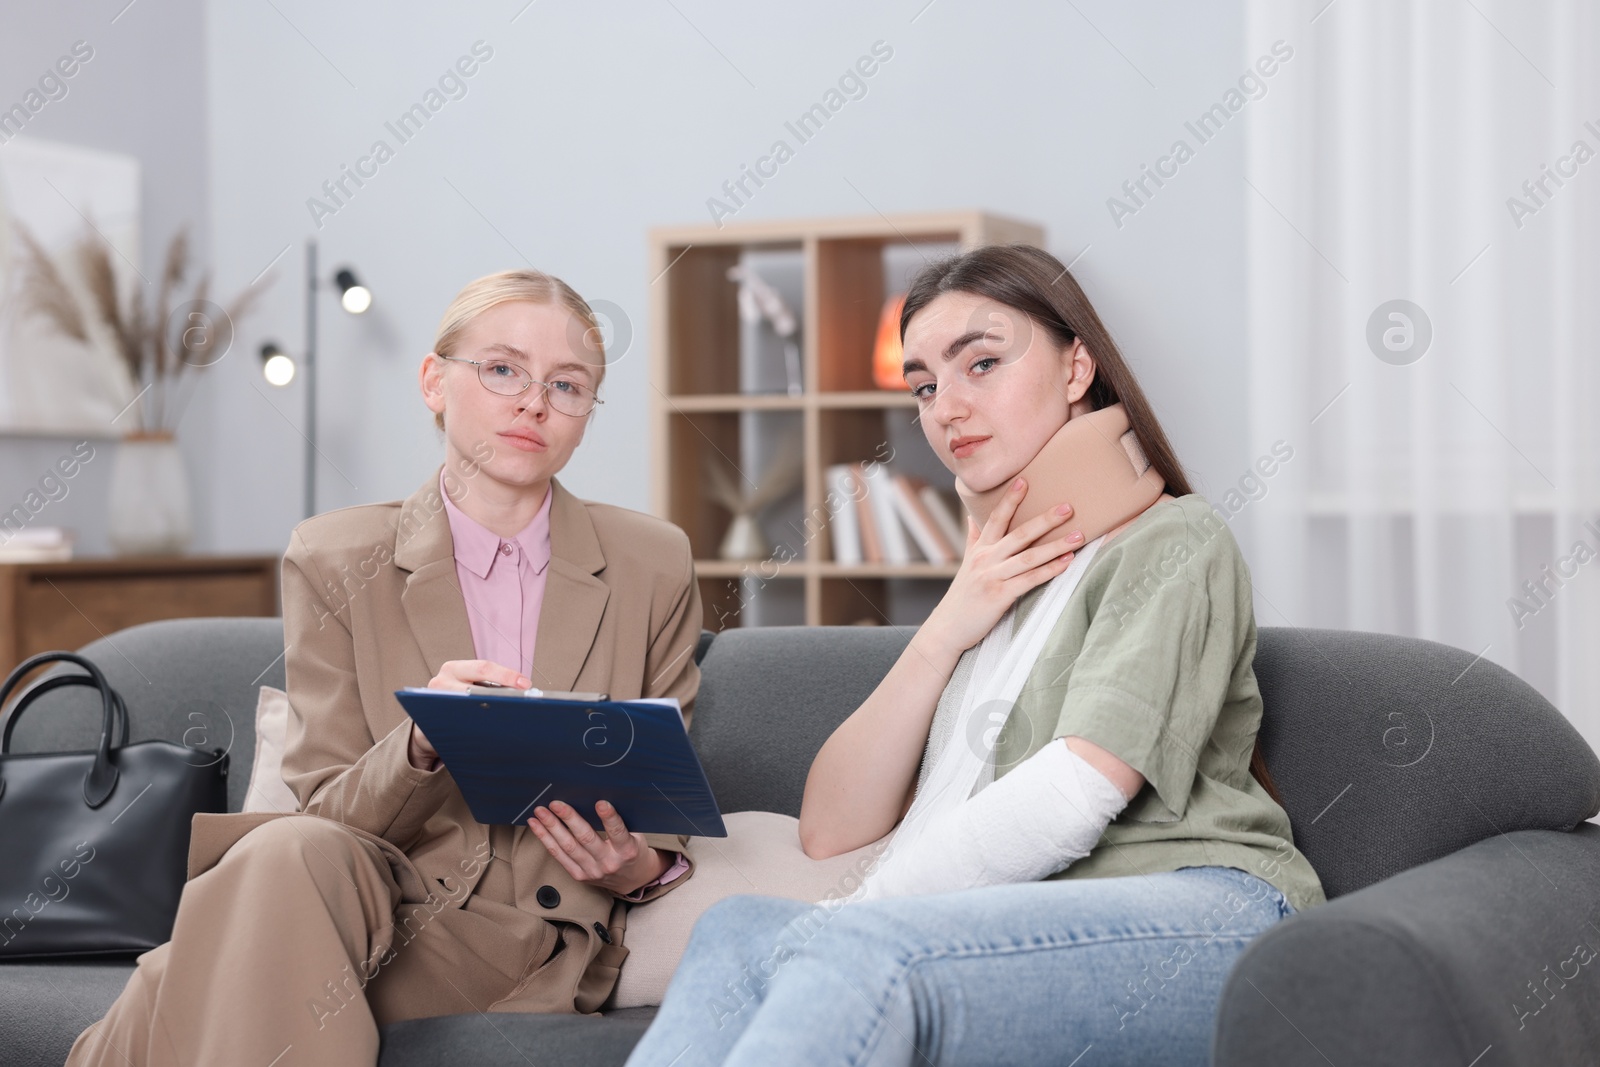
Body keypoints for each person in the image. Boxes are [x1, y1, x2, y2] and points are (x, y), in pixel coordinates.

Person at [622, 244, 1326, 1067]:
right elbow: (830, 829)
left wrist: (862, 914)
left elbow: (1078, 788)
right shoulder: (995, 585)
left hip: (1207, 916)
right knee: (736, 927)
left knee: (851, 951)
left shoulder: (1174, 539)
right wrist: (949, 622)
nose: (945, 407)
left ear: (1076, 368)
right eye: (923, 385)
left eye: (981, 363)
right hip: (1029, 920)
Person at [67, 269, 705, 1066]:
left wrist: (639, 866)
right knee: (285, 851)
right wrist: (417, 745)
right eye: (503, 369)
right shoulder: (335, 555)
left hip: (530, 937)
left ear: (584, 416)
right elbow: (324, 815)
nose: (534, 402)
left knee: (194, 968)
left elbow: (663, 797)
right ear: (435, 382)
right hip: (360, 899)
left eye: (567, 385)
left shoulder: (653, 561)